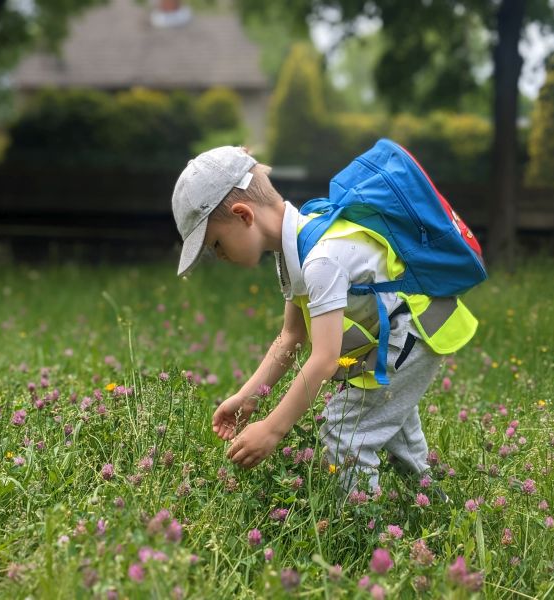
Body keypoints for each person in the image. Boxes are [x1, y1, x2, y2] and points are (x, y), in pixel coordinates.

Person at [171, 146, 477, 493]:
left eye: (216, 244)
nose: (220, 256)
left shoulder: (321, 260)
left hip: (414, 334)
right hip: (399, 339)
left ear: (244, 216)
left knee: (345, 431)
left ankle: (366, 530)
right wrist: (248, 397)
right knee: (387, 420)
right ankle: (428, 499)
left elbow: (324, 359)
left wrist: (273, 429)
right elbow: (291, 336)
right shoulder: (295, 252)